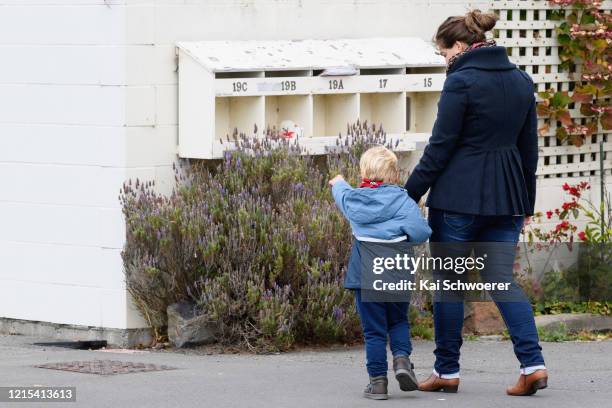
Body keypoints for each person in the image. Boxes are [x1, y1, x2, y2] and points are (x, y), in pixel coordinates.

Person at [404, 9, 547, 396]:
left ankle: (446, 372)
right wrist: (526, 204)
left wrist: (408, 194)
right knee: (502, 280)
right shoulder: (521, 80)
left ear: (462, 46)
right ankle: (533, 365)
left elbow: (440, 147)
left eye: (443, 51)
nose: (443, 59)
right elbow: (528, 150)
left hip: (458, 201)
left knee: (449, 285)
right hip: (509, 198)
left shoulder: (461, 81)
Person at [329, 145, 431, 400]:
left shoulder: (354, 200)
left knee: (374, 331)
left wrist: (339, 182)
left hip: (366, 278)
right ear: (394, 174)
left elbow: (342, 195)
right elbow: (421, 233)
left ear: (364, 172)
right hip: (397, 275)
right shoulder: (404, 201)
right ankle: (402, 362)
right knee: (398, 321)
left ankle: (377, 383)